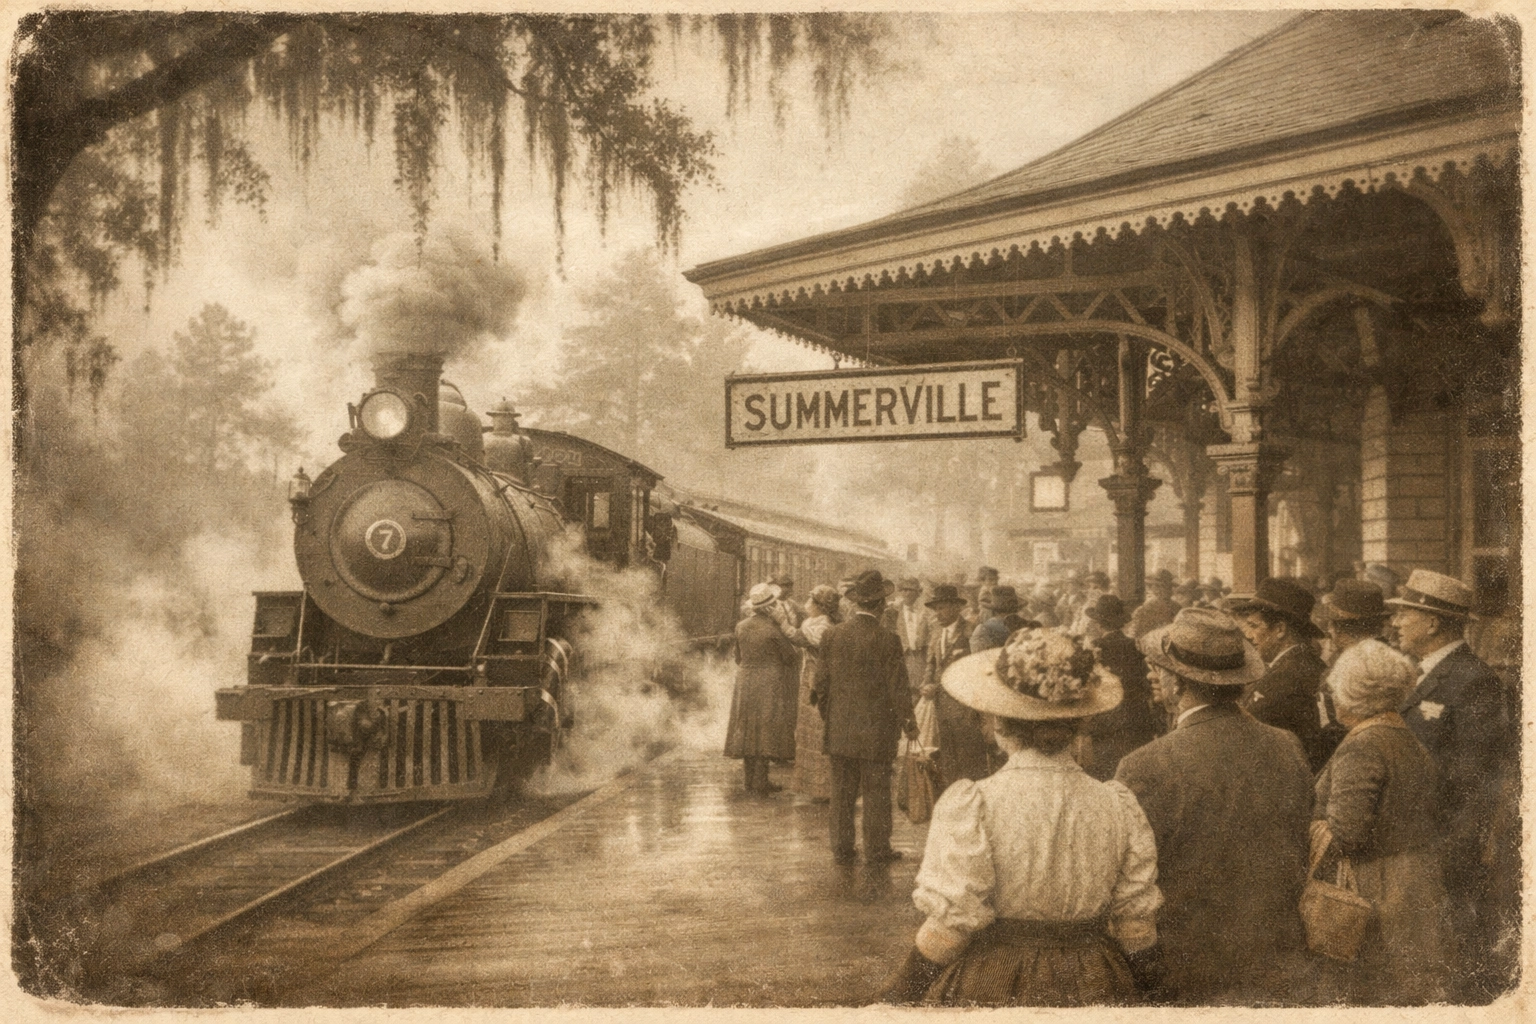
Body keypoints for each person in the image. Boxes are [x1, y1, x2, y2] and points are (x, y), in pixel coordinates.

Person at [875, 628, 1161, 1007]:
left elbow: (951, 924)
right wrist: (1158, 995)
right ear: (1077, 722)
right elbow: (1134, 924)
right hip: (1095, 979)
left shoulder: (974, 804)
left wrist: (897, 996)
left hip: (995, 978)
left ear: (999, 723)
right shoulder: (1116, 803)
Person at [1115, 608, 1314, 1004]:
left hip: (1187, 965)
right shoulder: (1286, 745)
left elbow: (1129, 879)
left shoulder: (1145, 765)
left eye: (1159, 667)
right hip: (1278, 958)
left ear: (1176, 681)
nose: (1152, 675)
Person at [1386, 569, 1514, 1001]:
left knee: (1456, 956)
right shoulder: (1425, 674)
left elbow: (1477, 785)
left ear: (1433, 622)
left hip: (1445, 850)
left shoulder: (1473, 682)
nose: (1396, 622)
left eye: (1405, 614)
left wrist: (1451, 855)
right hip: (1420, 844)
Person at [1312, 640, 1451, 1004]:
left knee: (1373, 990)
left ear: (1348, 692)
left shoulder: (1364, 743)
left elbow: (1347, 834)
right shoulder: (1403, 735)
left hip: (1376, 888)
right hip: (1415, 881)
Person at [812, 570, 916, 865]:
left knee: (842, 792)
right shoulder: (888, 639)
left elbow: (820, 685)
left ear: (856, 604)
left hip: (840, 729)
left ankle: (842, 847)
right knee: (877, 792)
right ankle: (877, 848)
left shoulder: (832, 635)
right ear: (881, 605)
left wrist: (831, 716)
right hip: (877, 731)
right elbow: (899, 689)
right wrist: (909, 723)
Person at [1226, 578, 1329, 769]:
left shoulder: (1284, 677)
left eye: (1255, 626)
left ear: (1280, 629)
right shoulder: (1310, 663)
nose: (1249, 635)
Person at [723, 583, 802, 794]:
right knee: (766, 727)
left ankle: (749, 781)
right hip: (770, 680)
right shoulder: (773, 629)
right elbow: (791, 657)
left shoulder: (741, 626)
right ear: (771, 606)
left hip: (746, 679)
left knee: (747, 727)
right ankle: (761, 781)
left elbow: (738, 657)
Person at [1081, 595, 1160, 781]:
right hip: (1136, 718)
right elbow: (1146, 682)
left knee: (1107, 772)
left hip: (1107, 719)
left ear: (1099, 624)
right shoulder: (1136, 646)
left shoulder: (1095, 648)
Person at [922, 584, 986, 787]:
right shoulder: (935, 633)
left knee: (970, 758)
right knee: (948, 756)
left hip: (965, 705)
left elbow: (979, 669)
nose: (937, 613)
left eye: (942, 608)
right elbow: (931, 664)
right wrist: (927, 683)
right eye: (936, 609)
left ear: (956, 608)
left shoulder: (971, 632)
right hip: (942, 706)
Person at [790, 585, 842, 801]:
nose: (806, 605)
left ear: (820, 607)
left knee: (819, 731)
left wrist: (782, 623)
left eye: (811, 601)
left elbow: (802, 639)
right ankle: (816, 788)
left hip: (817, 681)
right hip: (808, 678)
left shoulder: (823, 627)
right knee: (809, 732)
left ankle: (824, 789)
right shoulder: (814, 623)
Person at [890, 577, 933, 691]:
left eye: (910, 590)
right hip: (901, 657)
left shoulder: (926, 612)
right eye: (903, 590)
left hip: (921, 657)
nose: (906, 593)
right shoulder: (893, 612)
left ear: (918, 593)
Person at [968, 585, 1036, 653]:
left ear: (993, 610)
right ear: (1017, 608)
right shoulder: (1032, 625)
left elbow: (980, 659)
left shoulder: (982, 629)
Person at [1129, 569, 1179, 639]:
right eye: (1161, 587)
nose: (1169, 590)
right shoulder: (1146, 608)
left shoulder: (1177, 606)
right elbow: (1135, 634)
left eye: (1169, 587)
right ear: (1155, 589)